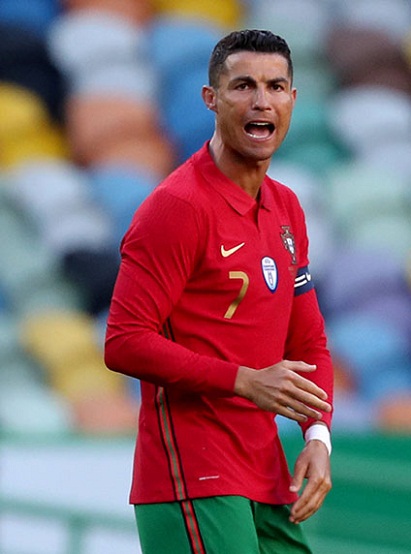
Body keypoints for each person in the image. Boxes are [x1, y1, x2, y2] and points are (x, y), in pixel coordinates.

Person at [104, 29, 334, 553]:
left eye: (276, 87)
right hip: (193, 473)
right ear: (211, 98)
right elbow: (124, 341)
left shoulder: (286, 207)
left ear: (293, 99)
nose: (262, 101)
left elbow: (309, 344)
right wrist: (243, 380)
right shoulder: (177, 207)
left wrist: (317, 434)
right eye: (243, 86)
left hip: (265, 473)